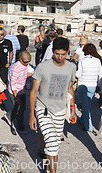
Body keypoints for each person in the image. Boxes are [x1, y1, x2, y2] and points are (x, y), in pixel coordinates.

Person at [29, 37, 77, 173]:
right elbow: (33, 92)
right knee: (51, 142)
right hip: (43, 109)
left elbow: (70, 88)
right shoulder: (42, 67)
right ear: (52, 51)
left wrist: (72, 110)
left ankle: (50, 169)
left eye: (63, 54)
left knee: (55, 144)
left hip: (60, 110)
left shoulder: (71, 67)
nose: (60, 57)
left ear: (68, 52)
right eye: (57, 53)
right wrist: (32, 115)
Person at [75, 43, 102, 134]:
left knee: (85, 105)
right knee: (87, 104)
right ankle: (83, 120)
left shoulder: (82, 61)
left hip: (83, 84)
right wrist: (99, 86)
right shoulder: (97, 61)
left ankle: (88, 126)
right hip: (93, 85)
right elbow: (101, 75)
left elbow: (78, 74)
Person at [7, 51, 33, 135]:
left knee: (22, 108)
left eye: (28, 61)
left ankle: (9, 116)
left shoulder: (26, 65)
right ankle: (20, 127)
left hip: (22, 90)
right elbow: (12, 83)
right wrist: (16, 96)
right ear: (20, 59)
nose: (27, 63)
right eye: (25, 62)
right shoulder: (15, 68)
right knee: (19, 110)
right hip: (15, 91)